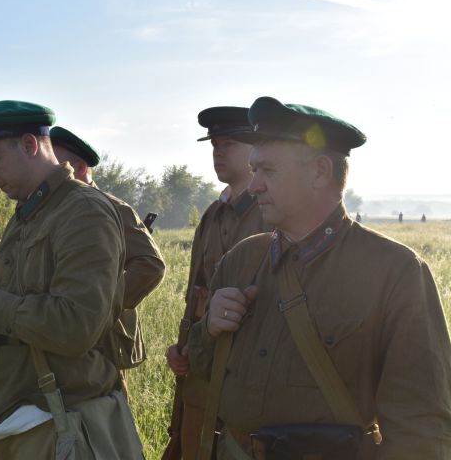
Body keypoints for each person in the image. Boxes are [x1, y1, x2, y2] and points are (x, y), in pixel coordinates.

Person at [188, 96, 451, 459]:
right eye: (254, 170)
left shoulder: (395, 271)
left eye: (268, 171)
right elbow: (200, 368)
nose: (254, 186)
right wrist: (209, 328)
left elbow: (421, 426)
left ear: (320, 172)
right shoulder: (242, 259)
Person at [0, 100, 144, 459]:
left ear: (29, 144)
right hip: (17, 414)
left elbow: (77, 325)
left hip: (58, 420)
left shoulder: (83, 211)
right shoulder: (29, 212)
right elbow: (24, 309)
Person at [163, 107, 268, 460]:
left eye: (229, 143)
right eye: (214, 145)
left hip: (249, 376)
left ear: (255, 150)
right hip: (201, 371)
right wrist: (183, 347)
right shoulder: (211, 214)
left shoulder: (271, 211)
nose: (218, 152)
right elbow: (196, 293)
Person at [50, 125, 166, 382]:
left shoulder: (110, 207)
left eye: (59, 167)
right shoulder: (57, 209)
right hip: (66, 333)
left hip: (104, 339)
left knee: (107, 412)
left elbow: (151, 265)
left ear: (80, 169)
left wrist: (101, 304)